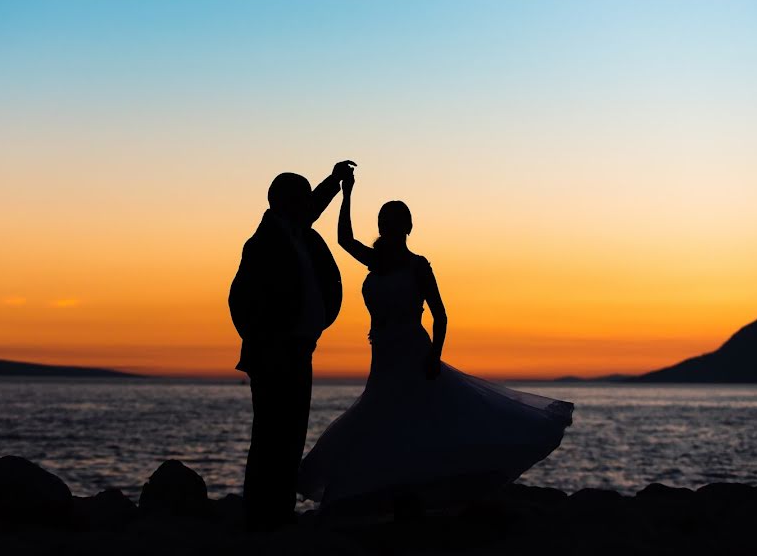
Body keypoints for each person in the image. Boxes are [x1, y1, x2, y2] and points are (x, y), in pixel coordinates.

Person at [298, 168, 574, 510]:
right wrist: (347, 193)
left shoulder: (418, 267)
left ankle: (417, 488)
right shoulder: (376, 263)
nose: (390, 227)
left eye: (396, 222)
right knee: (384, 417)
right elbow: (344, 239)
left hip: (414, 350)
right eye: (386, 222)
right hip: (383, 353)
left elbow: (440, 315)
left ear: (407, 228)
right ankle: (378, 490)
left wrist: (433, 357)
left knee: (417, 417)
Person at [229, 160, 356, 531]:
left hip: (299, 350)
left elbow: (313, 205)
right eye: (299, 198)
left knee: (291, 434)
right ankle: (261, 515)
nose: (307, 205)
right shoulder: (263, 243)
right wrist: (265, 343)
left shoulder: (295, 230)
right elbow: (241, 301)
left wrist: (334, 182)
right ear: (284, 203)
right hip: (275, 354)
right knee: (271, 436)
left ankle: (277, 512)